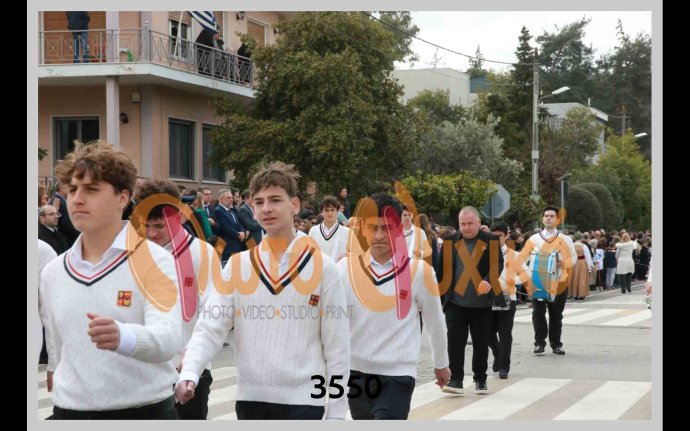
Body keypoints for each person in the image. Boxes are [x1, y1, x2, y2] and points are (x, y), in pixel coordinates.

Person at [176, 161, 350, 420]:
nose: (266, 208)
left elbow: (338, 347)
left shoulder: (324, 269)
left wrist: (336, 412)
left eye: (275, 200)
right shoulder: (238, 265)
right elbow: (210, 326)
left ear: (295, 205)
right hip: (251, 400)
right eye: (259, 202)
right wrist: (191, 370)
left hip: (305, 401)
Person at [39, 141, 182, 419]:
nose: (77, 199)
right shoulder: (53, 270)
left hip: (143, 412)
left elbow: (169, 338)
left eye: (91, 189)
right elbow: (56, 343)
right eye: (72, 189)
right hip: (70, 412)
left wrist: (124, 336)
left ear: (122, 198)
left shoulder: (155, 260)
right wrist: (54, 371)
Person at [338, 193, 449, 419]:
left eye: (386, 228)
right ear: (363, 229)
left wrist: (441, 363)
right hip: (356, 372)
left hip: (397, 373)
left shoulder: (419, 272)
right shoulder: (345, 269)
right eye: (373, 228)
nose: (379, 235)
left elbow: (435, 322)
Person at [135, 179, 218, 419]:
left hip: (189, 368)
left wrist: (193, 356)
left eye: (159, 226)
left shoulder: (202, 253)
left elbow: (212, 310)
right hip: (145, 372)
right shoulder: (135, 254)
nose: (151, 233)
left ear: (179, 217)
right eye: (146, 225)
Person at [437, 207, 504, 395]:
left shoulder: (490, 240)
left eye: (470, 224)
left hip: (481, 304)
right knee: (454, 341)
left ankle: (480, 379)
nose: (466, 228)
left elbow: (497, 264)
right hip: (455, 303)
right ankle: (456, 379)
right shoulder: (450, 241)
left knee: (481, 343)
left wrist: (489, 281)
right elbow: (441, 271)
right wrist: (439, 299)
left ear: (478, 223)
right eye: (463, 224)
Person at [518, 205, 577, 356]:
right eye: (546, 216)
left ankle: (556, 344)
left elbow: (573, 257)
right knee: (538, 313)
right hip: (538, 282)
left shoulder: (565, 239)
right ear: (542, 219)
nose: (548, 218)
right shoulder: (534, 239)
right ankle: (539, 343)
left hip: (558, 282)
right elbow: (523, 259)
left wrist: (562, 263)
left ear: (557, 220)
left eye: (551, 216)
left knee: (556, 315)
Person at [488, 221, 518, 380]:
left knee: (505, 333)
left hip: (508, 297)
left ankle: (504, 365)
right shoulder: (484, 254)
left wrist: (514, 280)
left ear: (506, 236)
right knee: (487, 332)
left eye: (499, 236)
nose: (495, 239)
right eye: (492, 236)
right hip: (488, 298)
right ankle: (498, 353)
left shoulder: (514, 255)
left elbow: (526, 274)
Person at [308, 195, 350, 262]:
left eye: (332, 210)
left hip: (339, 268)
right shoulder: (314, 231)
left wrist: (349, 255)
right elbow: (308, 254)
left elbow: (357, 255)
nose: (330, 213)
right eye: (326, 210)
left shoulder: (347, 232)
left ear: (337, 212)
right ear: (322, 212)